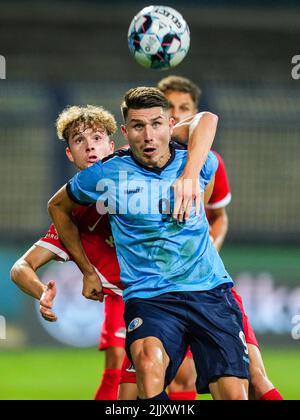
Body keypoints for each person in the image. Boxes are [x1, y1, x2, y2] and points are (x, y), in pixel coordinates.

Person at [48, 86, 250, 400]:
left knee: (235, 393)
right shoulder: (107, 174)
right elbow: (57, 206)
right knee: (147, 363)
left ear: (171, 127)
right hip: (151, 297)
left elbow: (208, 119)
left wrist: (188, 176)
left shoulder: (199, 163)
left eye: (157, 124)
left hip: (208, 292)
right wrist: (86, 270)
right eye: (139, 126)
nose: (148, 135)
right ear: (126, 132)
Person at [157, 75, 283, 401]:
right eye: (168, 106)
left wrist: (206, 250)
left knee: (255, 378)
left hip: (211, 286)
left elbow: (219, 218)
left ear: (194, 112)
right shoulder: (142, 165)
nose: (176, 112)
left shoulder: (210, 162)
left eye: (184, 107)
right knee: (182, 378)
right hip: (165, 291)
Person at [11, 105, 126, 400]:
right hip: (125, 299)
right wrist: (42, 293)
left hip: (176, 289)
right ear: (69, 154)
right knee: (122, 367)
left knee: (195, 375)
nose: (90, 146)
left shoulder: (137, 174)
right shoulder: (69, 213)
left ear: (111, 146)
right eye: (79, 140)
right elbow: (21, 268)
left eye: (98, 138)